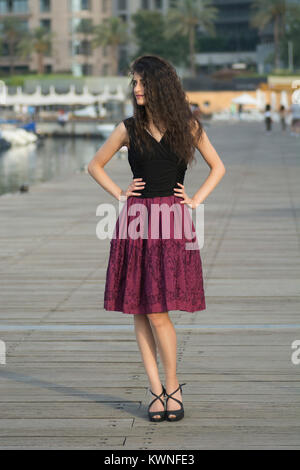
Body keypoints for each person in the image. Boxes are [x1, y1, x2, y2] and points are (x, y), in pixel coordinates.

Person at [87, 55, 226, 423]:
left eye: (141, 82)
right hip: (136, 221)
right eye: (133, 83)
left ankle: (173, 386)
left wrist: (195, 200)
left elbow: (219, 167)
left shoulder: (188, 127)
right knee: (141, 307)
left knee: (159, 311)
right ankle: (156, 390)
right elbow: (94, 165)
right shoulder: (128, 128)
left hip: (172, 223)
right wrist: (120, 193)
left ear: (159, 85)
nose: (135, 89)